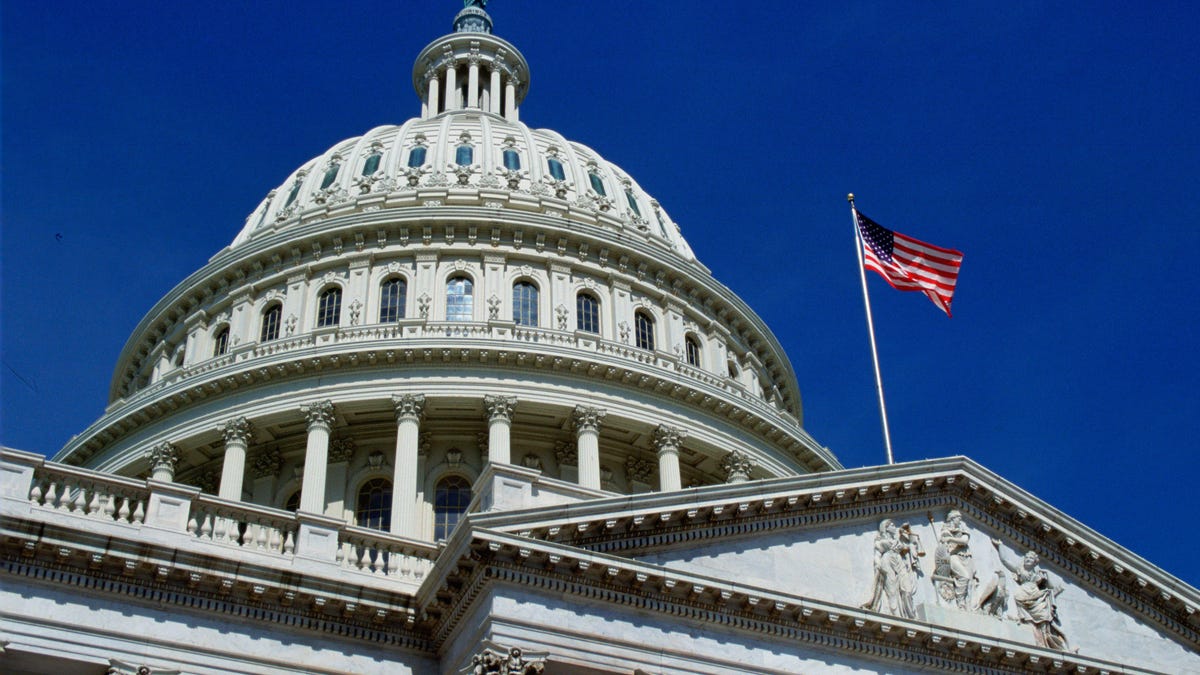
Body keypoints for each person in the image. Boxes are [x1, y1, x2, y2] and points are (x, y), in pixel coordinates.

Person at [991, 539, 1070, 650]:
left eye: (1031, 558)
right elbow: (1005, 560)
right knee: (1030, 616)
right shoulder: (1020, 570)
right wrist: (1000, 546)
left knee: (1044, 612)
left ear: (1035, 562)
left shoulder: (1038, 575)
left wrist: (1047, 575)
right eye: (1026, 558)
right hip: (1023, 594)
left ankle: (1045, 640)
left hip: (1036, 594)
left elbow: (1051, 587)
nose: (1028, 559)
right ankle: (1038, 639)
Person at [863, 519, 922, 618]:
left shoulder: (897, 541)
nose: (895, 527)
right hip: (887, 561)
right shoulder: (880, 541)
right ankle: (896, 615)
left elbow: (909, 546)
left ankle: (911, 615)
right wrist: (878, 566)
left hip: (899, 561)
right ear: (886, 528)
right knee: (892, 591)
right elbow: (877, 554)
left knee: (907, 589)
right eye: (892, 525)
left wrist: (909, 533)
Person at [933, 510, 976, 610]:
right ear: (952, 518)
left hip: (966, 557)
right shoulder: (945, 530)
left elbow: (964, 541)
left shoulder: (963, 529)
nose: (960, 520)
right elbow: (943, 546)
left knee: (970, 582)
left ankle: (968, 604)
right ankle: (960, 602)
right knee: (964, 576)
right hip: (953, 556)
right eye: (958, 518)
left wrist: (950, 539)